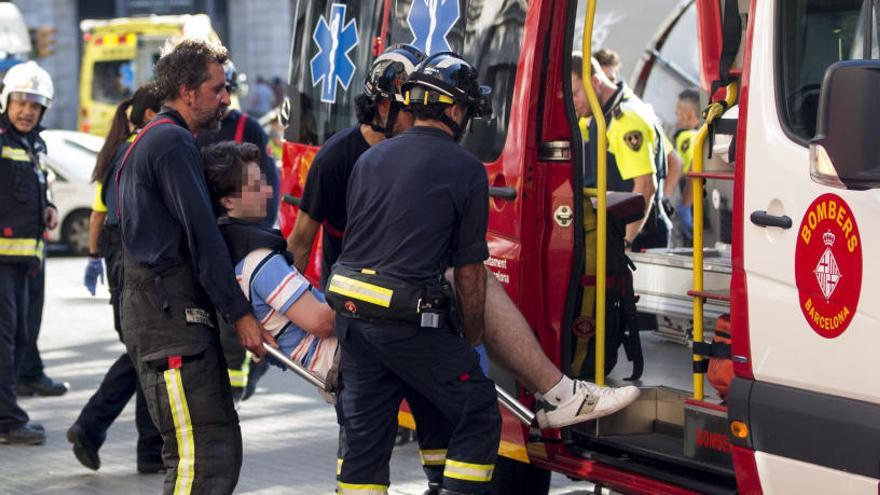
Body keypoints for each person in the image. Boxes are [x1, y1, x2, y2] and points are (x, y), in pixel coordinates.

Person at [289, 45, 639, 437]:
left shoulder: (390, 158)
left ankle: (550, 396)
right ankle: (558, 393)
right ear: (383, 107)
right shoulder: (342, 158)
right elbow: (301, 243)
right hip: (362, 307)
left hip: (391, 302)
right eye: (410, 106)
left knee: (393, 438)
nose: (418, 116)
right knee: (407, 425)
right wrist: (301, 331)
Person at [327, 51, 503, 495]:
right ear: (455, 110)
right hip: (408, 320)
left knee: (365, 446)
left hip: (352, 316)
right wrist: (472, 339)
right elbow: (467, 271)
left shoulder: (372, 159)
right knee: (477, 410)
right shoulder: (466, 168)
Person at [117, 39, 274, 494]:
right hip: (168, 321)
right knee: (198, 459)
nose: (226, 98)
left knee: (217, 448)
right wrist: (240, 314)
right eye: (217, 88)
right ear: (187, 91)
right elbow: (202, 235)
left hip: (170, 315)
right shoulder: (170, 142)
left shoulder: (157, 139)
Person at [67, 83, 164, 474]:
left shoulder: (118, 152)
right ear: (148, 115)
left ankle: (139, 448)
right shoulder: (146, 148)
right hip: (134, 266)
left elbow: (97, 214)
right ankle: (93, 427)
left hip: (118, 263)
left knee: (143, 357)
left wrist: (93, 257)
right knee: (145, 355)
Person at [202, 142, 337, 394]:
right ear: (228, 202)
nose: (267, 191)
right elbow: (321, 322)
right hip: (342, 361)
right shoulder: (260, 261)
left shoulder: (234, 254)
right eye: (255, 187)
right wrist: (362, 303)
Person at [197, 60, 280, 403]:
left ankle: (238, 384)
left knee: (239, 327)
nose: (224, 99)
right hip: (207, 236)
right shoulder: (189, 130)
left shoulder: (248, 127)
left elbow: (267, 185)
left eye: (227, 90)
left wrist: (258, 238)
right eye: (217, 90)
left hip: (238, 237)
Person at [0, 61, 57, 445]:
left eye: (34, 106)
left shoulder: (33, 144)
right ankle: (6, 421)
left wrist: (48, 205)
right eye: (20, 103)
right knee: (4, 340)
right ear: (6, 101)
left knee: (21, 336)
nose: (26, 111)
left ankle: (9, 408)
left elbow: (35, 187)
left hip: (26, 260)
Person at [571, 55, 669, 250]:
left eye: (574, 93)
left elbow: (645, 186)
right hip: (619, 233)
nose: (571, 100)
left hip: (637, 239)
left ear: (595, 82)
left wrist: (626, 243)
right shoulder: (601, 113)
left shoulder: (625, 120)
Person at [670, 88, 701, 244]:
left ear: (688, 114)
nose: (676, 119)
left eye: (677, 113)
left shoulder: (686, 137)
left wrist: (684, 206)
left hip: (691, 205)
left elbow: (689, 171)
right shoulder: (703, 135)